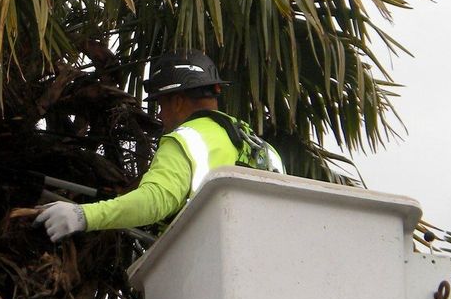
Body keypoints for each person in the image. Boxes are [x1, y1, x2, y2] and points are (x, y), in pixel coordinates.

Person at [35, 50, 284, 242]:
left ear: (177, 101)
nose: (161, 116)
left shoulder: (188, 139)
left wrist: (83, 216)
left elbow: (156, 200)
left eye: (161, 105)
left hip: (211, 272)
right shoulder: (263, 149)